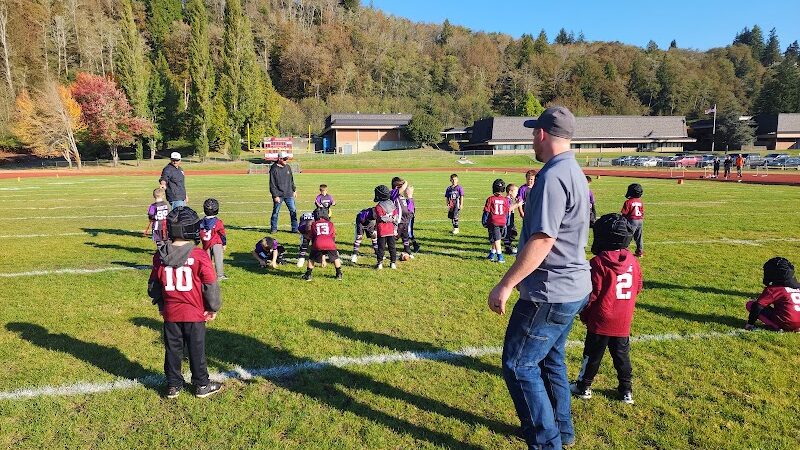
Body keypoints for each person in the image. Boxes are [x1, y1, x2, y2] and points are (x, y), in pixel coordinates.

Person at [487, 106, 591, 450]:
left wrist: (506, 283)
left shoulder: (552, 176)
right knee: (549, 360)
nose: (532, 138)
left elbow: (543, 239)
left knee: (518, 364)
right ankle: (562, 431)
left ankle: (548, 444)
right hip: (573, 287)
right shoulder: (573, 170)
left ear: (543, 134)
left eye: (534, 132)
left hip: (550, 292)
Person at [147, 206, 222, 399]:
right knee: (196, 350)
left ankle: (173, 385)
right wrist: (212, 307)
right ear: (192, 229)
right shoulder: (199, 255)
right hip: (194, 313)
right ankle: (202, 384)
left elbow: (154, 285)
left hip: (171, 313)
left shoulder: (160, 256)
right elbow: (210, 284)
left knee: (173, 349)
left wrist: (161, 304)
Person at [570, 213, 642, 405]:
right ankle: (626, 391)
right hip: (623, 319)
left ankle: (583, 386)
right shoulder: (633, 261)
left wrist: (585, 314)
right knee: (622, 356)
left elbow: (591, 293)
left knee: (592, 355)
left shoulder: (598, 262)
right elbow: (638, 286)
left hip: (601, 319)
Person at [745, 257, 800, 332]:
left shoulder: (774, 289)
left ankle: (777, 326)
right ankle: (796, 327)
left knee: (751, 304)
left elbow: (758, 306)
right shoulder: (798, 287)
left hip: (786, 322)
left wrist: (750, 323)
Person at [302, 208, 343, 281]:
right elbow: (333, 235)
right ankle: (339, 274)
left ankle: (308, 275)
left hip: (318, 242)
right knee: (335, 258)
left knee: (311, 259)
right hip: (330, 242)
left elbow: (311, 235)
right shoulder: (331, 224)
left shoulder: (314, 224)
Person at [269, 151, 298, 233]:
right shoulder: (274, 169)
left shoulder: (288, 167)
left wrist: (294, 190)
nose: (286, 160)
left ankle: (295, 228)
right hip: (279, 195)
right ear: (279, 159)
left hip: (289, 194)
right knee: (275, 212)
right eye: (284, 159)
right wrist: (275, 196)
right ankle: (274, 228)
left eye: (287, 159)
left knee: (293, 211)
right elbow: (272, 184)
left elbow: (291, 180)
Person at [200, 198, 227, 280]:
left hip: (205, 243)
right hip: (216, 242)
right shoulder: (218, 222)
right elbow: (222, 234)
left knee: (207, 261)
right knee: (218, 259)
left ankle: (207, 275)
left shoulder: (201, 222)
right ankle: (220, 275)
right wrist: (224, 243)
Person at [482, 178, 508, 263]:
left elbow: (487, 211)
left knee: (497, 240)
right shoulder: (505, 200)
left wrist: (484, 220)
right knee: (496, 238)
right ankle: (492, 254)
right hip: (502, 221)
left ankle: (500, 256)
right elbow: (506, 212)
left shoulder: (490, 199)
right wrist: (506, 222)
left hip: (494, 222)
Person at [374, 185, 399, 270]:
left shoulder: (378, 206)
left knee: (381, 248)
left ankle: (380, 263)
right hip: (391, 230)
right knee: (392, 247)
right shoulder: (392, 204)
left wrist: (391, 220)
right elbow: (396, 217)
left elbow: (381, 217)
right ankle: (392, 263)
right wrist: (395, 228)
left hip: (382, 231)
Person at [392, 177, 419, 256]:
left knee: (405, 237)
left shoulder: (402, 197)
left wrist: (409, 197)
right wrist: (405, 183)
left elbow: (410, 210)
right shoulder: (393, 193)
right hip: (398, 222)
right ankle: (384, 253)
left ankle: (408, 251)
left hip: (405, 221)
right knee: (392, 239)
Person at [621, 183, 645, 257]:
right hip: (640, 220)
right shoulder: (640, 201)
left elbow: (624, 213)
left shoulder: (628, 202)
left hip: (632, 220)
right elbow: (642, 212)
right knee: (639, 237)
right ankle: (640, 252)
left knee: (628, 236)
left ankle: (625, 252)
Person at [504, 183, 523, 255]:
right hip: (507, 220)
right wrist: (517, 204)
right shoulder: (507, 199)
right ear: (510, 192)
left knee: (514, 233)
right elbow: (508, 209)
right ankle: (507, 248)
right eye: (516, 192)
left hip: (510, 220)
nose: (517, 194)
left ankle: (508, 245)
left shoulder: (511, 199)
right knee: (508, 234)